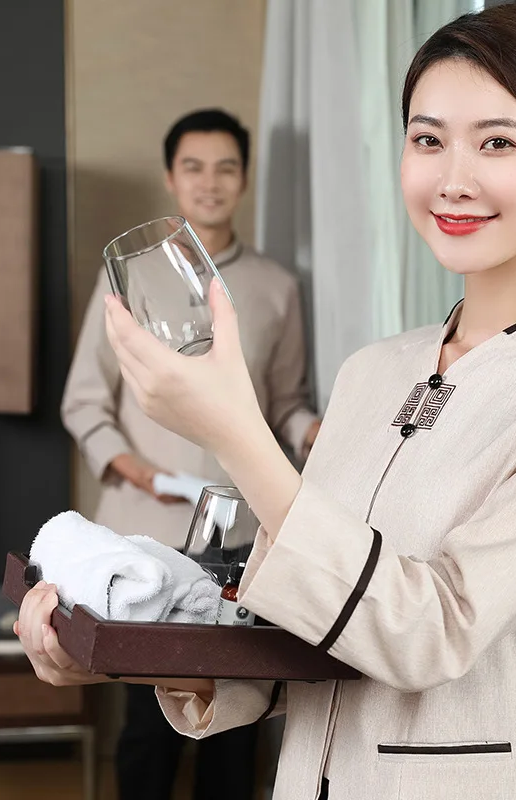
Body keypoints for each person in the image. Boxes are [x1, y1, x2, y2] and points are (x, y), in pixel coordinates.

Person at [18, 7, 516, 800]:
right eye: (428, 138)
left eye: (498, 141)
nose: (453, 177)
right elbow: (298, 630)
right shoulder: (375, 371)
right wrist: (110, 652)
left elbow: (430, 631)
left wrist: (235, 433)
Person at [61, 108, 321, 800]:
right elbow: (83, 401)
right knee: (146, 729)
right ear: (171, 179)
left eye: (226, 168)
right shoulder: (124, 281)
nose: (210, 183)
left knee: (233, 718)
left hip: (238, 538)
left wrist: (311, 431)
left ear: (245, 179)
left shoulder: (276, 288)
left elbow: (286, 401)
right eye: (194, 168)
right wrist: (137, 469)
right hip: (144, 528)